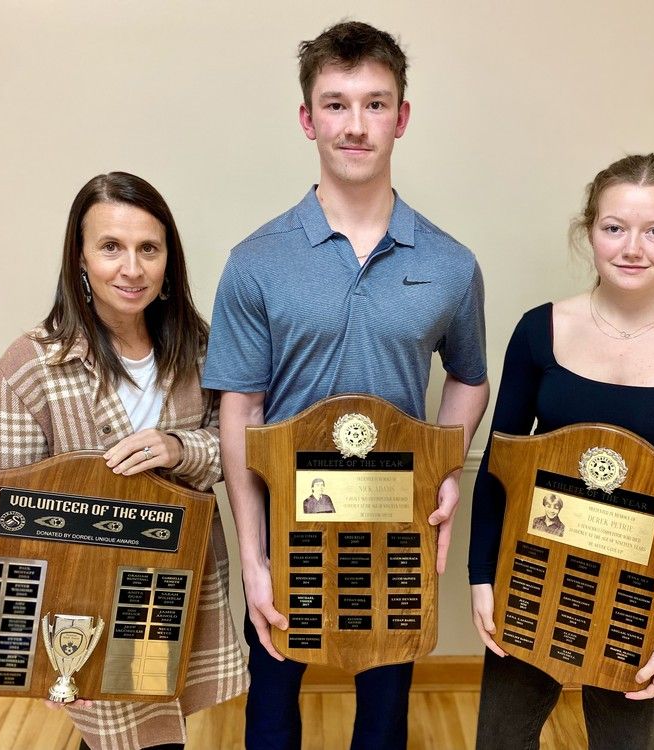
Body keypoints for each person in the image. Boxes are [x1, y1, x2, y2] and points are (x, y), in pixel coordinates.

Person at [202, 20, 490, 750]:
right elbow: (241, 407)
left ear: (402, 116)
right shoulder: (256, 261)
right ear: (307, 119)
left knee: (385, 714)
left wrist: (446, 468)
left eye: (374, 103)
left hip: (394, 523)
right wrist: (254, 557)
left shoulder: (453, 265)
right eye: (335, 104)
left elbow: (468, 378)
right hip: (289, 525)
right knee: (270, 709)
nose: (355, 125)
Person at [468, 153, 654, 750]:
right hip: (534, 576)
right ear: (589, 230)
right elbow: (501, 471)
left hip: (646, 600)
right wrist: (481, 577)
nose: (633, 247)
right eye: (614, 227)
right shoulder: (539, 330)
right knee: (501, 740)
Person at [0, 172, 248, 750]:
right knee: (136, 733)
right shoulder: (28, 368)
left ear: (168, 261)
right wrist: (34, 647)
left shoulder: (200, 348)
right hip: (84, 601)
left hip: (181, 583)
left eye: (148, 249)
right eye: (110, 247)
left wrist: (180, 449)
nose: (132, 268)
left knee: (146, 725)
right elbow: (10, 525)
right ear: (79, 257)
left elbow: (232, 444)